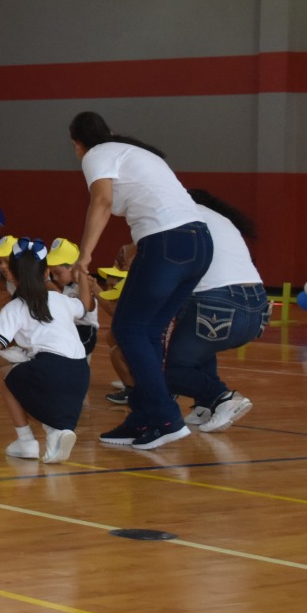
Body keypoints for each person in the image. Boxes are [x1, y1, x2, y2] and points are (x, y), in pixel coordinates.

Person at [71, 111, 211, 451]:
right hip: (199, 243)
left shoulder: (97, 153)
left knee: (128, 330)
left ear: (77, 145)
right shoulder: (134, 152)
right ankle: (145, 415)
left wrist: (85, 254)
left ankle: (165, 417)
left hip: (166, 243)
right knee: (145, 332)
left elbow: (102, 201)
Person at [0, 239, 91, 463]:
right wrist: (84, 276)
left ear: (11, 273)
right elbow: (85, 305)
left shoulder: (15, 307)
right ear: (46, 272)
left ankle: (26, 441)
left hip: (50, 370)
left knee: (5, 375)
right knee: (44, 393)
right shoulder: (61, 300)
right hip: (80, 373)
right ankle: (58, 431)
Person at [164, 190, 266, 433]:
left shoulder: (180, 215)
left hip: (217, 303)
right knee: (199, 351)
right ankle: (206, 406)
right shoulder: (221, 220)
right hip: (257, 306)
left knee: (169, 370)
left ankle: (221, 398)